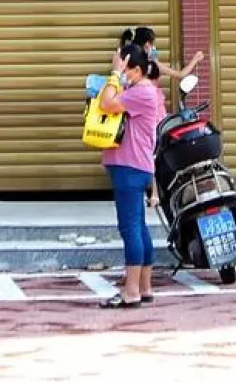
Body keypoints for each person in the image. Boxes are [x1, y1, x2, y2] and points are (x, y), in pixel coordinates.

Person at [95, 40, 166, 308]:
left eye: (124, 66)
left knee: (130, 228)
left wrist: (114, 74)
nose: (121, 72)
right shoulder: (140, 90)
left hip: (130, 166)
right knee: (138, 227)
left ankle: (131, 291)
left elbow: (106, 104)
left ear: (133, 68)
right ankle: (144, 287)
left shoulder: (142, 92)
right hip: (135, 165)